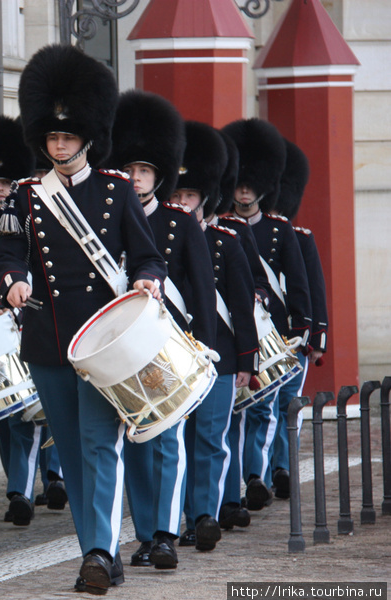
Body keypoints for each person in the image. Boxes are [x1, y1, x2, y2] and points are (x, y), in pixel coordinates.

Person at [0, 44, 166, 595]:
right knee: (70, 450)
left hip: (105, 341)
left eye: (67, 136)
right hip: (49, 339)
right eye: (51, 137)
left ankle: (98, 551)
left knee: (98, 443)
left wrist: (147, 279)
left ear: (87, 137)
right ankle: (100, 546)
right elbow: (3, 254)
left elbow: (148, 254)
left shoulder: (115, 191)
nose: (58, 145)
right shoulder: (24, 195)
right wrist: (11, 280)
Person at [105, 90, 216, 568]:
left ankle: (168, 533)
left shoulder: (179, 222)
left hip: (169, 344)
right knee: (134, 442)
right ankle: (146, 532)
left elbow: (202, 289)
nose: (135, 178)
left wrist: (206, 347)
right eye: (129, 169)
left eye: (144, 171)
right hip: (121, 348)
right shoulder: (105, 220)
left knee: (168, 440)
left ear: (159, 175)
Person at [170, 121, 258, 551]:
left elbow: (241, 306)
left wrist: (247, 361)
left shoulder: (225, 241)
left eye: (189, 196)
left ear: (204, 198)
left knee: (209, 437)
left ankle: (203, 514)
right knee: (175, 440)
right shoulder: (158, 239)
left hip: (219, 356)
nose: (183, 202)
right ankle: (178, 517)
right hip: (170, 356)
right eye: (178, 195)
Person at [0, 115, 67, 527]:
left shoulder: (45, 207)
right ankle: (22, 487)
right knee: (15, 412)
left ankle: (51, 477)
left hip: (42, 315)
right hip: (4, 322)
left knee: (42, 412)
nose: (1, 189)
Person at [222, 118, 311, 511]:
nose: (243, 191)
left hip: (272, 331)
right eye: (239, 183)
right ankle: (247, 476)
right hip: (235, 328)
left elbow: (301, 284)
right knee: (238, 412)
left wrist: (307, 330)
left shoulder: (279, 229)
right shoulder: (223, 227)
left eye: (249, 184)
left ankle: (257, 474)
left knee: (263, 408)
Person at [268, 139, 327, 498]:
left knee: (288, 406)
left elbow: (313, 290)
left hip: (292, 336)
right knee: (260, 411)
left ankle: (284, 466)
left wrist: (316, 339)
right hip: (260, 336)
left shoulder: (300, 237)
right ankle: (263, 471)